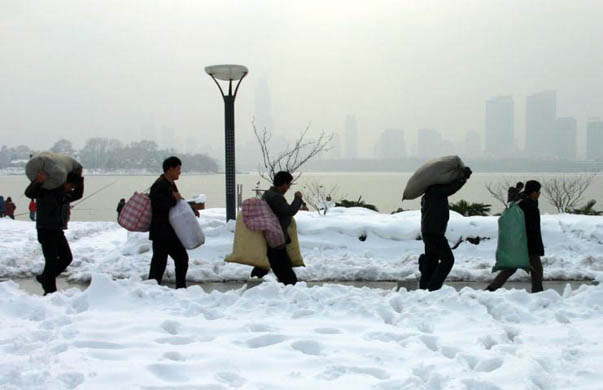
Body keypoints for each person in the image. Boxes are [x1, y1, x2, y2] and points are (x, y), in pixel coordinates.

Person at [25, 169, 84, 295]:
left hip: (57, 230)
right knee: (51, 260)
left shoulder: (64, 195)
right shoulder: (46, 191)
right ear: (65, 182)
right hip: (45, 229)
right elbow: (29, 193)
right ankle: (50, 291)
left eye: (74, 186)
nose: (72, 188)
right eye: (71, 186)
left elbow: (78, 195)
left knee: (67, 257)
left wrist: (80, 178)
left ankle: (45, 278)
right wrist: (38, 181)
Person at [148, 156, 201, 289]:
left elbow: (176, 204)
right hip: (162, 232)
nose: (179, 172)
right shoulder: (160, 185)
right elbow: (158, 205)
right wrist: (173, 198)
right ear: (170, 169)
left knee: (166, 261)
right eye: (178, 169)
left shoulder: (170, 183)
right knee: (169, 261)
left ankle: (155, 288)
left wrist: (190, 209)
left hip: (168, 231)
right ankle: (155, 288)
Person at [419, 167, 472, 291]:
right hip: (434, 232)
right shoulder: (435, 191)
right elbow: (451, 189)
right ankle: (433, 288)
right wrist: (462, 178)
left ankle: (424, 288)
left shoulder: (428, 193)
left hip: (429, 231)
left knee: (431, 261)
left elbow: (448, 189)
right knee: (448, 260)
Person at [486, 180, 544, 293]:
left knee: (511, 267)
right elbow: (530, 228)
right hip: (527, 243)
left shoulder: (521, 202)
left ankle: (491, 289)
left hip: (520, 242)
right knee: (536, 269)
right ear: (533, 192)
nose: (539, 194)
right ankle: (538, 292)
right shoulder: (528, 207)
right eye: (538, 192)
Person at [250, 171, 303, 285]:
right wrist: (297, 198)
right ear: (284, 184)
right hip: (275, 239)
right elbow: (289, 211)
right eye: (288, 185)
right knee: (286, 273)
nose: (288, 188)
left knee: (266, 263)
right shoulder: (276, 198)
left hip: (271, 237)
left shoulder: (268, 194)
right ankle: (290, 289)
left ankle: (254, 282)